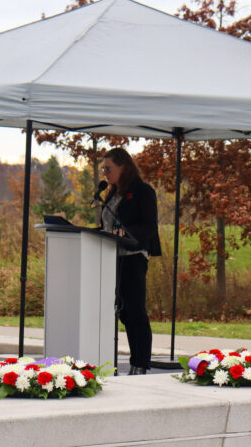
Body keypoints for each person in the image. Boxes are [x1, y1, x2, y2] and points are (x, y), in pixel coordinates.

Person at [101, 148, 161, 375]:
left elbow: (148, 227)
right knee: (122, 312)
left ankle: (140, 363)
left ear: (123, 167)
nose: (105, 173)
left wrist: (124, 235)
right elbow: (107, 225)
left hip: (133, 258)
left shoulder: (142, 192)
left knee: (134, 311)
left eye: (109, 169)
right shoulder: (111, 193)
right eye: (104, 169)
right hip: (109, 258)